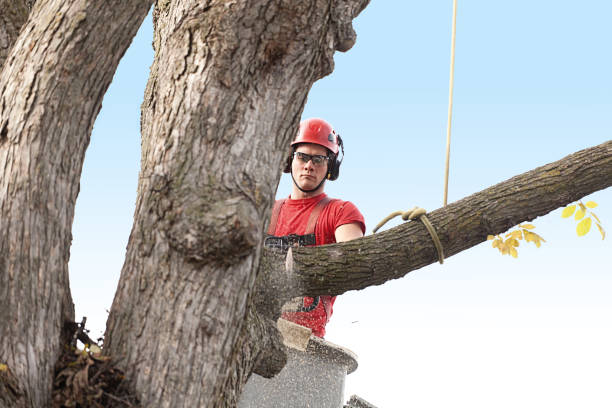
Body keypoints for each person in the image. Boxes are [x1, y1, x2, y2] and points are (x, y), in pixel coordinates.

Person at [265, 118, 365, 338]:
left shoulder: (341, 212)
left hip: (307, 340)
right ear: (290, 159)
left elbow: (356, 260)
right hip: (256, 331)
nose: (309, 165)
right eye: (302, 157)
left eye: (318, 159)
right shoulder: (266, 211)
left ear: (330, 166)